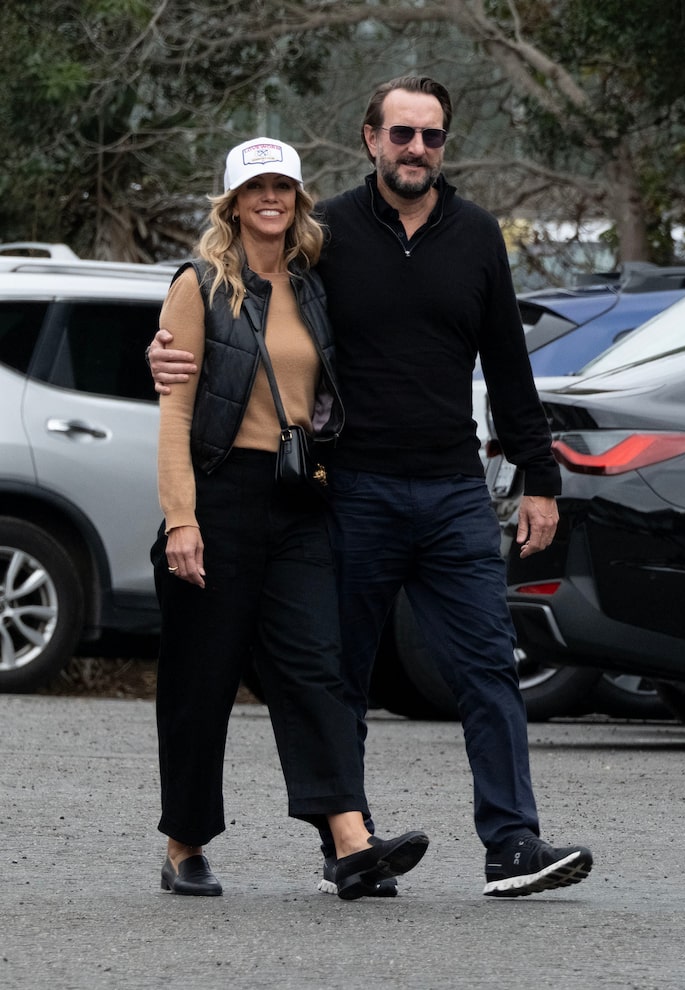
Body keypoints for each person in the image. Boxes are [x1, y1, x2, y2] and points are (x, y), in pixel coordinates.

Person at [148, 80, 594, 898]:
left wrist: (540, 476)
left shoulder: (447, 240)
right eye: (401, 133)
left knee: (466, 668)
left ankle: (500, 845)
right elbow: (200, 358)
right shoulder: (310, 246)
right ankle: (286, 844)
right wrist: (158, 366)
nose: (415, 148)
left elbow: (507, 361)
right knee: (287, 677)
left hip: (421, 491)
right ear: (370, 139)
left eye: (431, 136)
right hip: (332, 490)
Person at [151, 135, 428, 900]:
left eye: (282, 187)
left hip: (299, 498)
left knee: (315, 669)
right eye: (255, 188)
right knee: (201, 681)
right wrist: (181, 519)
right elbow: (175, 412)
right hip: (219, 497)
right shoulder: (199, 285)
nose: (269, 198)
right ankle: (183, 845)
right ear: (233, 203)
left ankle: (349, 842)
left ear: (298, 200)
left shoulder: (312, 286)